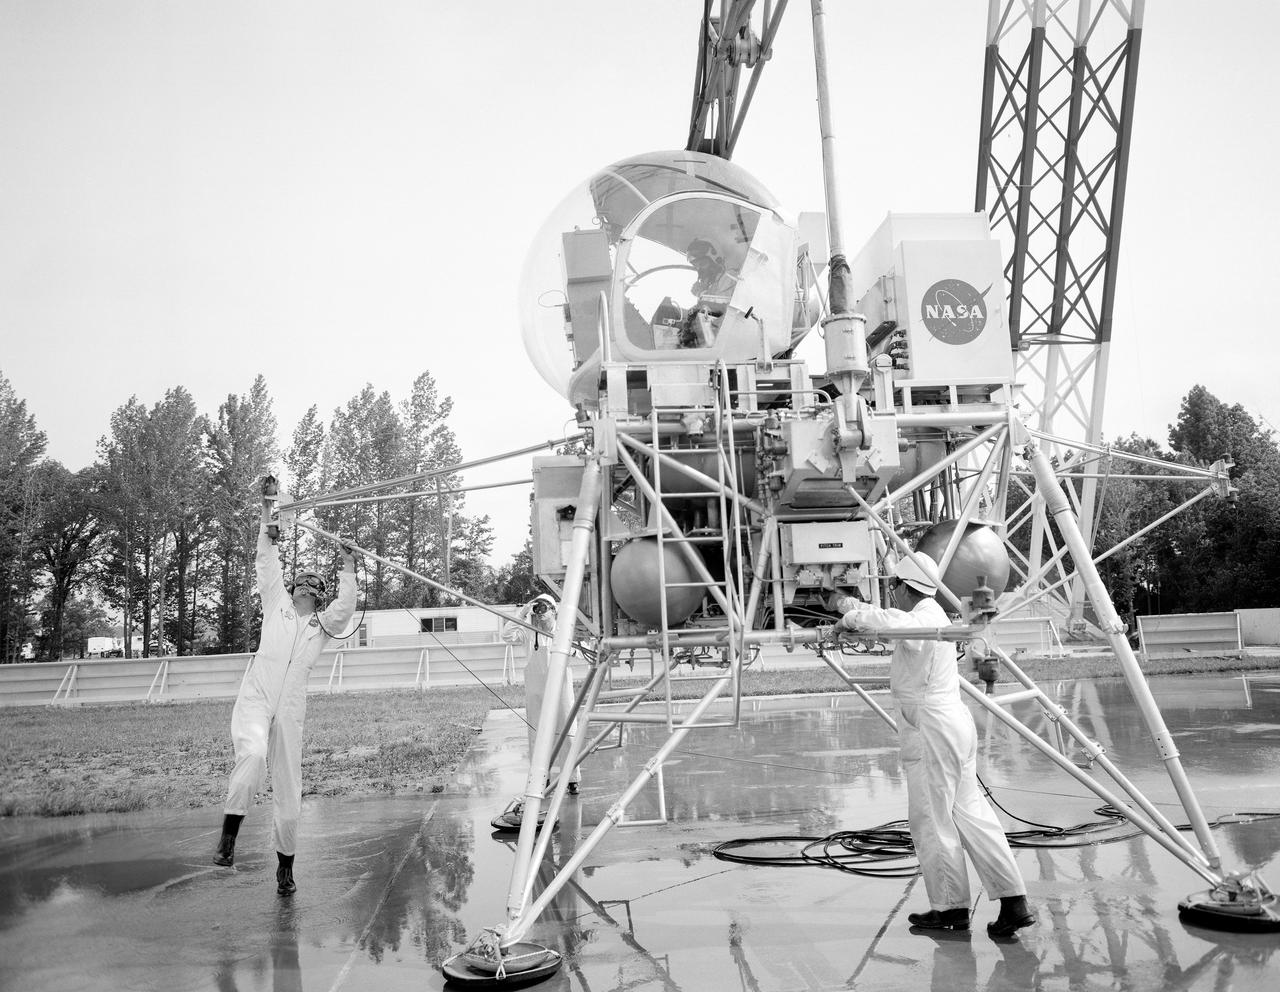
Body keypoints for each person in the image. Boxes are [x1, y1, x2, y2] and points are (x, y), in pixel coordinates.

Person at [829, 555, 1036, 938]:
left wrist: (849, 618)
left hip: (931, 729)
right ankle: (1014, 901)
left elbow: (891, 622)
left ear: (908, 588)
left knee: (931, 819)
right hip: (952, 723)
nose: (892, 593)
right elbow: (890, 619)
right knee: (971, 814)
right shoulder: (931, 615)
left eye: (895, 586)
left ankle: (950, 909)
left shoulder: (922, 619)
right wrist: (852, 605)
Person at [212, 481, 357, 898]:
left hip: (291, 709)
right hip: (257, 696)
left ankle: (286, 869)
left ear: (318, 596)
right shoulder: (275, 601)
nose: (304, 589)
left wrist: (347, 563)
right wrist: (267, 513)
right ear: (292, 588)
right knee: (252, 755)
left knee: (289, 790)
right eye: (300, 584)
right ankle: (228, 839)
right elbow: (266, 560)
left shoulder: (324, 625)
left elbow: (346, 608)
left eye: (312, 587)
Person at [501, 593, 581, 795]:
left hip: (561, 689)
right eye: (537, 609)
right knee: (536, 735)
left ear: (554, 611)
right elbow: (506, 635)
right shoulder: (529, 633)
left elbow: (582, 651)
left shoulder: (563, 633)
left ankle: (572, 779)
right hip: (536, 690)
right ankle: (541, 778)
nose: (539, 613)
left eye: (543, 608)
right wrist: (523, 612)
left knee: (568, 733)